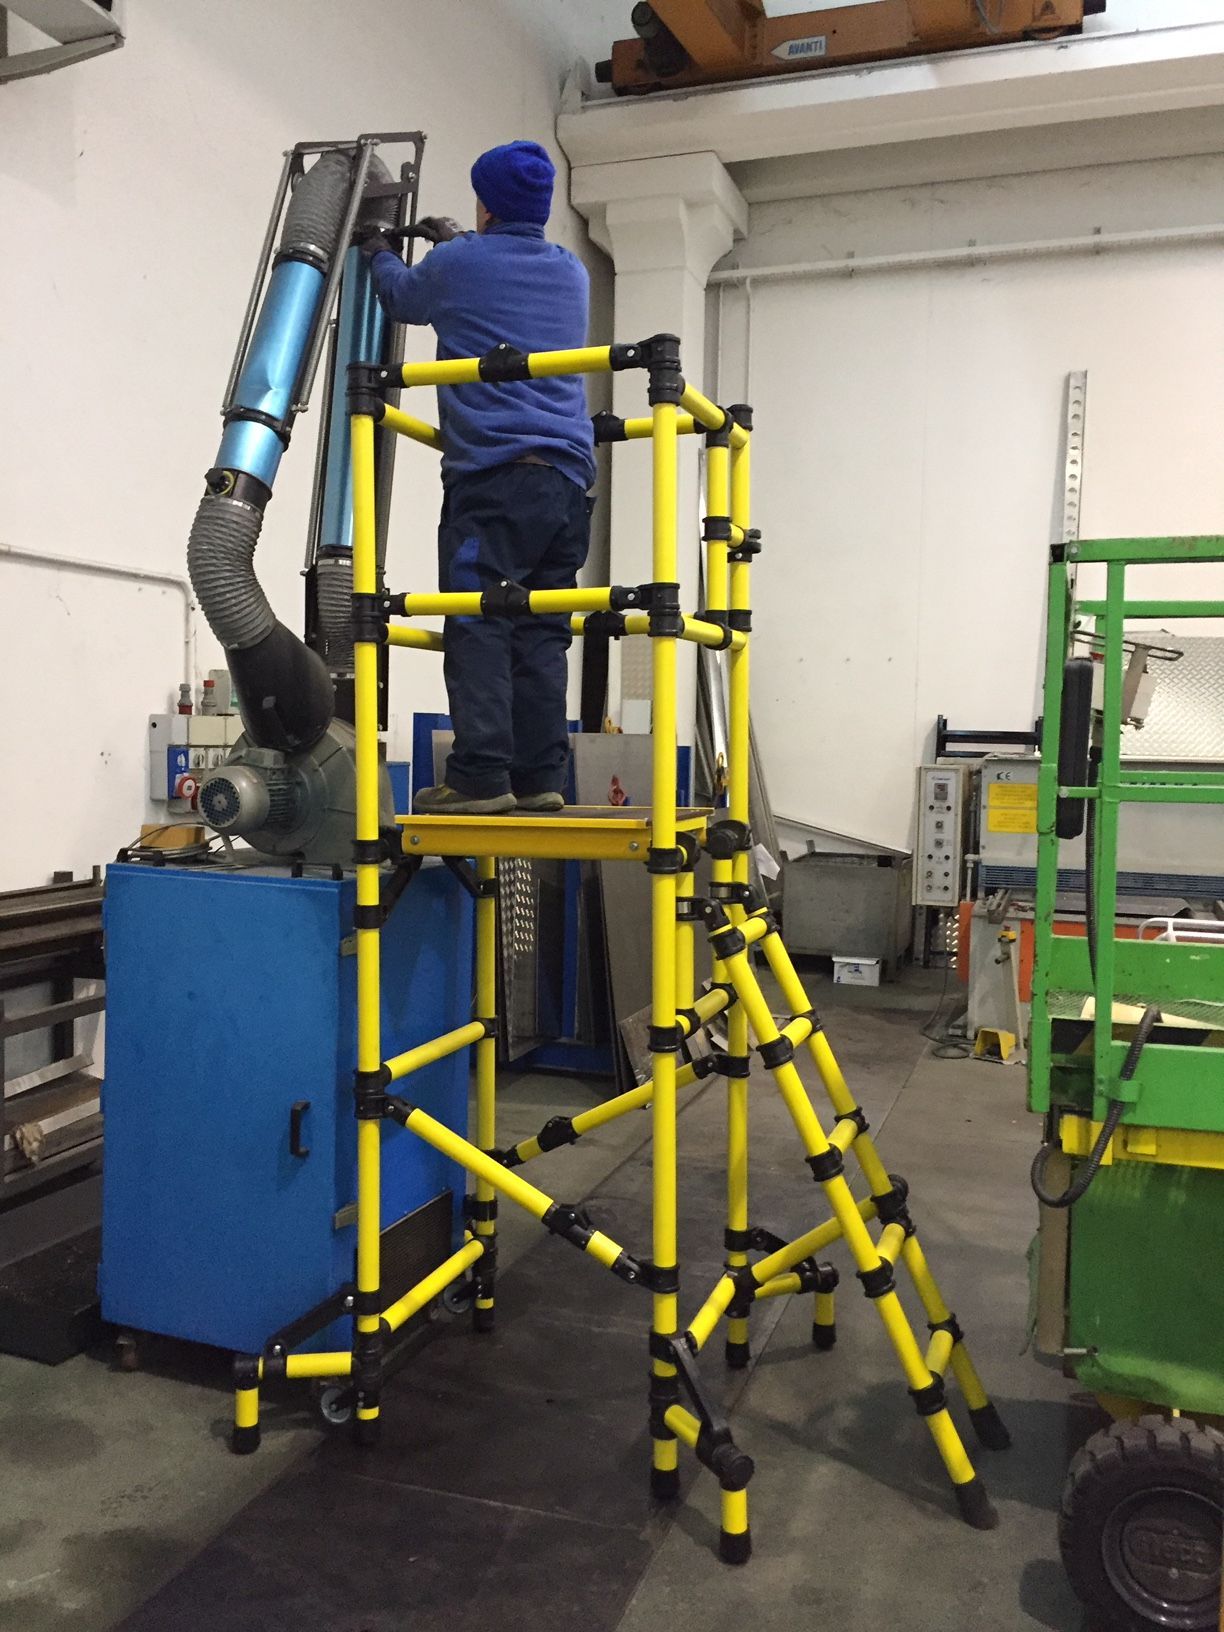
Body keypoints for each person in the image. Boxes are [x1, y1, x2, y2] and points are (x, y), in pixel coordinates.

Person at [360, 140, 595, 816]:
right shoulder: (570, 271)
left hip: (492, 482)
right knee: (541, 631)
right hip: (565, 485)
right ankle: (540, 778)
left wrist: (377, 247)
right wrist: (460, 243)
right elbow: (503, 287)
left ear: (485, 204)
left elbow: (403, 297)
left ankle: (480, 778)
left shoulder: (458, 264)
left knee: (479, 623)